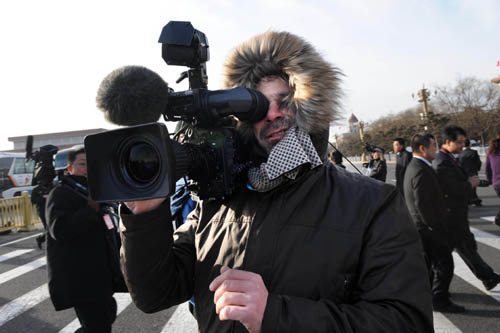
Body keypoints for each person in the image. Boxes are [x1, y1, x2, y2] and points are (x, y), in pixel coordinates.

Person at [119, 31, 433, 332]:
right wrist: (144, 216)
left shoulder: (372, 203)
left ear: (309, 106)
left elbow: (407, 322)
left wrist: (275, 317)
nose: (272, 114)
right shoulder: (217, 202)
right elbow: (153, 295)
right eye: (257, 105)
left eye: (285, 101)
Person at [45, 147, 125, 333]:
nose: (87, 168)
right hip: (81, 277)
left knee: (107, 314)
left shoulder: (95, 192)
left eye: (91, 164)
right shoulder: (61, 193)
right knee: (98, 326)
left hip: (101, 274)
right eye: (82, 164)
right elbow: (59, 230)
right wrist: (90, 209)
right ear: (69, 168)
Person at [433, 125, 500, 292]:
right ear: (448, 142)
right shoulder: (442, 161)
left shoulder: (449, 158)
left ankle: (488, 277)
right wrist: (470, 184)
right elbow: (451, 189)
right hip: (451, 216)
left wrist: (475, 182)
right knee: (444, 258)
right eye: (460, 142)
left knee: (466, 248)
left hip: (456, 215)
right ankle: (435, 293)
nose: (463, 145)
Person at [404, 133, 464, 313]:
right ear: (423, 149)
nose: (436, 150)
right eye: (433, 146)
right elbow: (422, 203)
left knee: (429, 265)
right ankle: (440, 300)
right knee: (444, 264)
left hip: (421, 227)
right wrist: (435, 227)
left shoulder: (415, 166)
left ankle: (430, 295)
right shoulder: (421, 169)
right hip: (429, 228)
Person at [459, 138, 482, 206]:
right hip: (473, 171)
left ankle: (471, 199)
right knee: (474, 187)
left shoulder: (460, 153)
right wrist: (477, 168)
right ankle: (474, 200)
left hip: (464, 172)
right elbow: (478, 163)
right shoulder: (473, 152)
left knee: (467, 187)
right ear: (470, 144)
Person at [485, 138, 500, 226]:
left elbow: (487, 169)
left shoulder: (490, 155)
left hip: (496, 183)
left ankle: (498, 219)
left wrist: (490, 180)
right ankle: (498, 219)